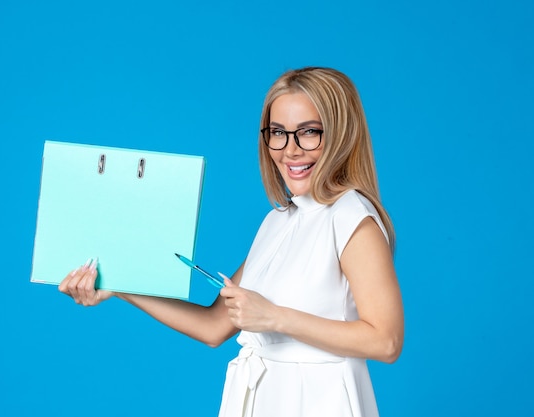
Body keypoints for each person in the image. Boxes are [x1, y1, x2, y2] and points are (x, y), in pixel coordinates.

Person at [59, 67, 404, 417]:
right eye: (278, 133)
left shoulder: (352, 218)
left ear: (341, 134)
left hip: (319, 401)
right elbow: (214, 326)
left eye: (309, 132)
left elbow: (385, 341)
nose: (291, 151)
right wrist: (118, 284)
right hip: (263, 398)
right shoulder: (279, 219)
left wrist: (275, 317)